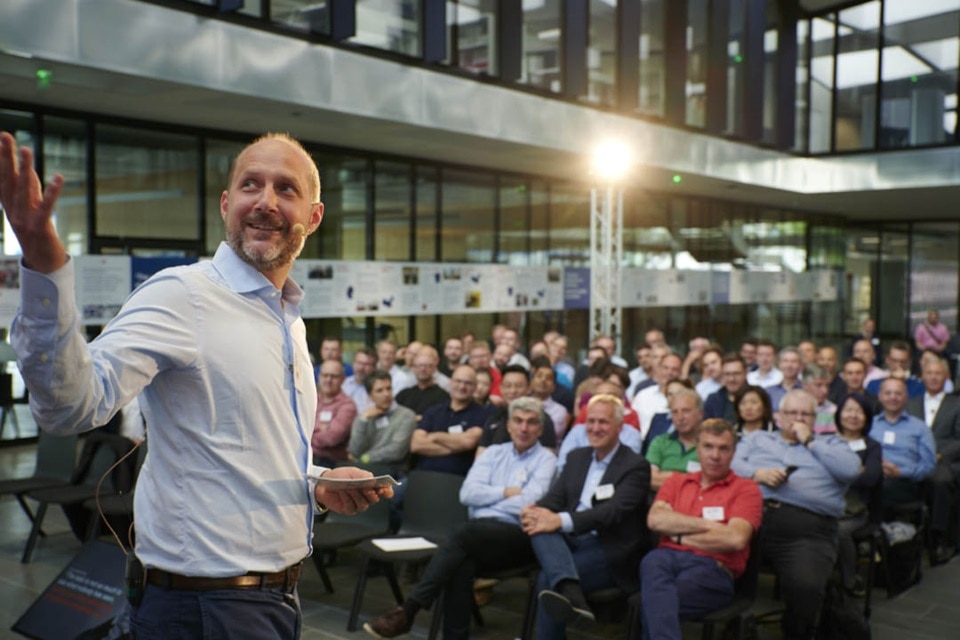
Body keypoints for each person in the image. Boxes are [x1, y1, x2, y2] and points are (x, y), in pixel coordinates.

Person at [0, 131, 387, 638]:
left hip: (272, 599)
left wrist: (316, 484)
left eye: (286, 189)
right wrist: (44, 263)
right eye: (251, 185)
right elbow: (71, 409)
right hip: (205, 609)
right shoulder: (182, 295)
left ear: (313, 217)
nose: (265, 202)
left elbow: (243, 455)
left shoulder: (286, 317)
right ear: (227, 205)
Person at [362, 398, 557, 639]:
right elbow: (467, 494)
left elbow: (528, 503)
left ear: (540, 428)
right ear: (508, 425)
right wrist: (506, 492)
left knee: (462, 535)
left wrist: (489, 497)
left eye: (531, 422)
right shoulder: (494, 453)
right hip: (479, 535)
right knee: (460, 564)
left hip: (517, 537)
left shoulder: (547, 460)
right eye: (518, 421)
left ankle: (409, 609)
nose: (524, 428)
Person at [732, 389, 861, 640]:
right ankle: (734, 625)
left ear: (815, 418)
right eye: (792, 413)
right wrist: (756, 474)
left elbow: (851, 470)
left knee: (807, 588)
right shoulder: (758, 439)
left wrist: (810, 441)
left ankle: (797, 633)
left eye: (805, 414)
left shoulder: (832, 444)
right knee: (714, 565)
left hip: (806, 531)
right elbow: (733, 463)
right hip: (749, 520)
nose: (798, 418)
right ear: (779, 416)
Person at [521, 394, 651, 638]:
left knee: (546, 579)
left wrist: (559, 520)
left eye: (603, 422)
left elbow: (611, 513)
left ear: (619, 427)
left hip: (609, 547)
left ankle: (566, 589)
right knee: (539, 529)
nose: (595, 428)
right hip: (570, 540)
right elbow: (556, 498)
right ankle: (571, 592)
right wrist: (535, 509)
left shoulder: (635, 466)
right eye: (590, 421)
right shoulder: (577, 457)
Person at [638, 418, 763, 640]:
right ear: (698, 449)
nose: (715, 455)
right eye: (708, 447)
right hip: (666, 560)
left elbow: (735, 539)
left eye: (723, 448)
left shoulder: (747, 489)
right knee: (652, 562)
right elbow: (655, 520)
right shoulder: (676, 482)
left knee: (656, 604)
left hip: (713, 568)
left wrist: (677, 533)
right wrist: (710, 527)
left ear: (733, 452)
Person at [833, 393, 882, 594]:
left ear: (867, 417)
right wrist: (855, 469)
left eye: (859, 411)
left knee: (838, 531)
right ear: (839, 414)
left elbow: (870, 478)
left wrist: (836, 471)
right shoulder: (828, 441)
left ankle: (850, 579)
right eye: (848, 410)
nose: (853, 415)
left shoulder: (872, 447)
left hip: (857, 511)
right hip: (827, 504)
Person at [872, 377, 937, 508]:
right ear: (880, 396)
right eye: (888, 393)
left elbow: (929, 466)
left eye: (898, 393)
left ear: (906, 397)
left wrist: (900, 472)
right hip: (872, 477)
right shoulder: (870, 424)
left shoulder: (920, 428)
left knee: (881, 488)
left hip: (905, 482)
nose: (893, 397)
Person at [477, 364, 556, 457]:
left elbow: (548, 457)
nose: (512, 391)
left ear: (529, 388)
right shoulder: (494, 417)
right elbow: (480, 457)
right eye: (507, 386)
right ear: (501, 388)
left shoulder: (541, 419)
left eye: (518, 386)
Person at [348, 370, 417, 475]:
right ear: (370, 395)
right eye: (379, 391)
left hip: (392, 471)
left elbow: (396, 451)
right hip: (364, 470)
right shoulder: (365, 416)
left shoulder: (407, 415)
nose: (386, 394)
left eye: (389, 388)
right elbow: (354, 451)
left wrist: (364, 459)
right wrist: (363, 420)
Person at [646, 388, 703, 491]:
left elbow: (708, 482)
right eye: (675, 412)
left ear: (700, 413)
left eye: (686, 411)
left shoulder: (710, 444)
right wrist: (688, 478)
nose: (680, 417)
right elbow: (651, 479)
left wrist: (667, 475)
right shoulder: (659, 442)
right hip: (662, 501)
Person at [312, 359, 359, 467]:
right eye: (325, 375)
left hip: (330, 464)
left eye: (334, 376)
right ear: (319, 376)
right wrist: (321, 428)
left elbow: (331, 438)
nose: (328, 380)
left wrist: (309, 433)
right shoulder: (310, 400)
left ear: (343, 379)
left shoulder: (348, 405)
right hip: (304, 458)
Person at [395, 345, 450, 418]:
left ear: (434, 368)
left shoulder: (443, 397)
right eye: (419, 365)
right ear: (413, 369)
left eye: (427, 366)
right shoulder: (404, 395)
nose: (423, 369)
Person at [703, 353, 748, 423]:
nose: (731, 379)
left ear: (746, 373)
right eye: (727, 374)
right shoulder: (713, 401)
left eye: (736, 374)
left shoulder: (758, 398)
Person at [765, 346, 803, 411]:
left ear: (800, 366)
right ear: (779, 364)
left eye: (793, 361)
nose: (789, 365)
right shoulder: (769, 392)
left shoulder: (806, 390)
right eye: (785, 361)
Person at [343, 347, 377, 413]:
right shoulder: (344, 384)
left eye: (366, 364)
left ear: (374, 367)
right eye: (359, 363)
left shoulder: (378, 388)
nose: (361, 368)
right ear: (353, 364)